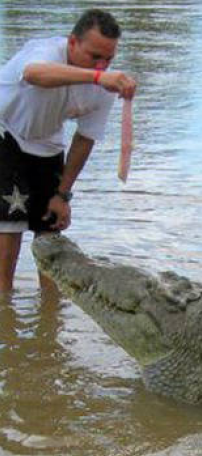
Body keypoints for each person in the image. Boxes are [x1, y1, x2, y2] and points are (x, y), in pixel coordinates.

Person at [0, 9, 136, 293]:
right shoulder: (47, 52)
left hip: (47, 143)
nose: (102, 65)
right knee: (9, 227)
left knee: (49, 231)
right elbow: (34, 74)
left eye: (108, 59)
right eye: (94, 56)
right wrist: (98, 77)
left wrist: (62, 195)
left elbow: (85, 138)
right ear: (72, 43)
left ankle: (50, 318)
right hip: (5, 133)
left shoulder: (105, 85)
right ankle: (5, 312)